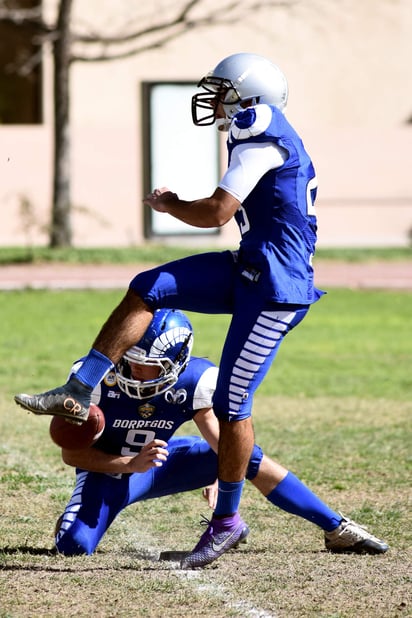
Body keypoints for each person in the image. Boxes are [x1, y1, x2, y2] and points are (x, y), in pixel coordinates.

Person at [16, 52, 330, 567]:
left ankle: (227, 522)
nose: (214, 100)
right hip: (253, 264)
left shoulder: (262, 123)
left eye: (223, 90)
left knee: (232, 405)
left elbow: (217, 212)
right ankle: (77, 389)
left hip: (277, 283)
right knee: (150, 286)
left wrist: (171, 205)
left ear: (248, 96)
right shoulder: (254, 129)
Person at [53, 309, 388, 562]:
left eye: (149, 364)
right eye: (131, 359)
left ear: (176, 362)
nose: (136, 370)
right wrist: (129, 463)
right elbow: (71, 455)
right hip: (109, 472)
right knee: (73, 547)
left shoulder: (196, 380)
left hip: (161, 459)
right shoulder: (94, 377)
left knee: (243, 454)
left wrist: (224, 472)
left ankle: (336, 527)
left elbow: (233, 449)